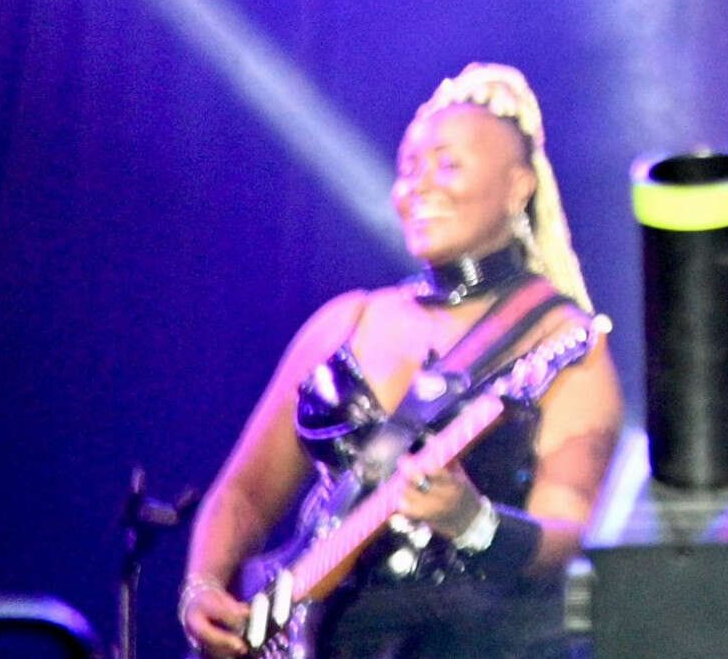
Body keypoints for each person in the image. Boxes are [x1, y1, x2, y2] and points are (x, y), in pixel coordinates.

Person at [178, 65, 621, 658]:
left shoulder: (561, 339)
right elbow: (244, 495)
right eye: (409, 167)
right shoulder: (347, 320)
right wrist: (202, 586)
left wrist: (474, 522)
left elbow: (570, 529)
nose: (419, 186)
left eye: (447, 164)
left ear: (518, 187)